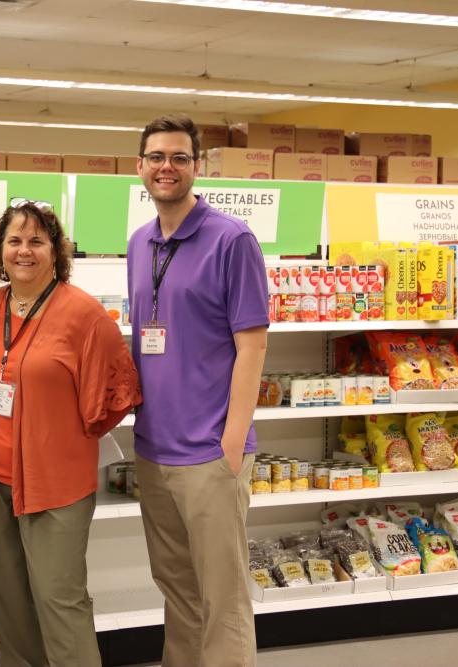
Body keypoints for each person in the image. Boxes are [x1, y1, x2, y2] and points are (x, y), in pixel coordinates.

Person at [0, 201, 141, 667]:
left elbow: (118, 392)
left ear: (55, 251)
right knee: (5, 601)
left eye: (36, 242)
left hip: (55, 485)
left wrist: (65, 437)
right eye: (14, 241)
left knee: (59, 601)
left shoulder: (83, 314)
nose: (25, 251)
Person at [128, 114, 269, 667]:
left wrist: (231, 443)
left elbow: (253, 346)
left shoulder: (232, 239)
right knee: (176, 590)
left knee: (223, 598)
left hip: (210, 453)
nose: (168, 167)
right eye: (157, 157)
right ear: (139, 168)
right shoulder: (141, 243)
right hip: (154, 449)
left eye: (179, 158)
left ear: (196, 167)